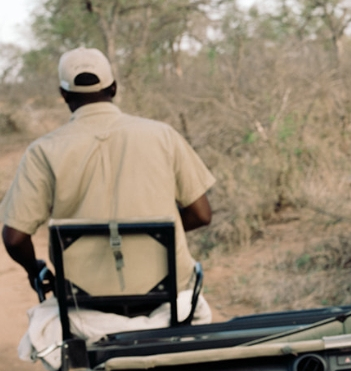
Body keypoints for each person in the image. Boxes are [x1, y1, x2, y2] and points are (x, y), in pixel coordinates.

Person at [0, 48, 216, 354]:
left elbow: (14, 237)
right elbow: (202, 214)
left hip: (83, 309)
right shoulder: (163, 136)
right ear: (113, 88)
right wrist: (152, 233)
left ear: (63, 94)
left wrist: (35, 269)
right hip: (165, 301)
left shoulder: (43, 151)